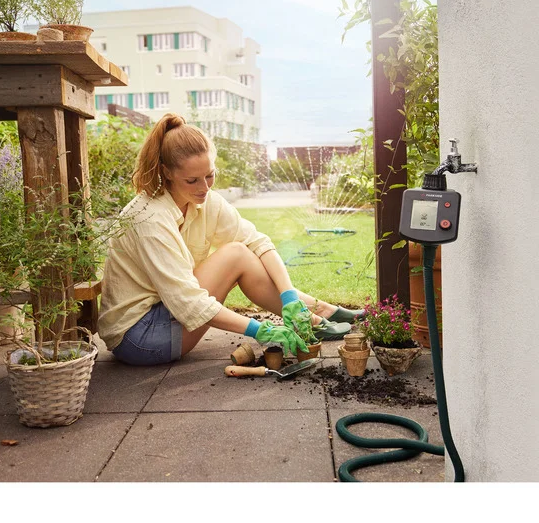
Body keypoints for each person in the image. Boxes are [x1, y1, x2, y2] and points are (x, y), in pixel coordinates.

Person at [97, 113, 363, 366]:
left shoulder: (203, 200)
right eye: (192, 180)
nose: (204, 187)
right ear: (166, 173)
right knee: (234, 255)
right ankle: (316, 318)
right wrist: (261, 330)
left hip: (169, 315)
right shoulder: (149, 218)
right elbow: (189, 303)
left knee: (242, 250)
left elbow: (258, 241)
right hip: (140, 338)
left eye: (210, 175)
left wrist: (289, 295)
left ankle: (316, 314)